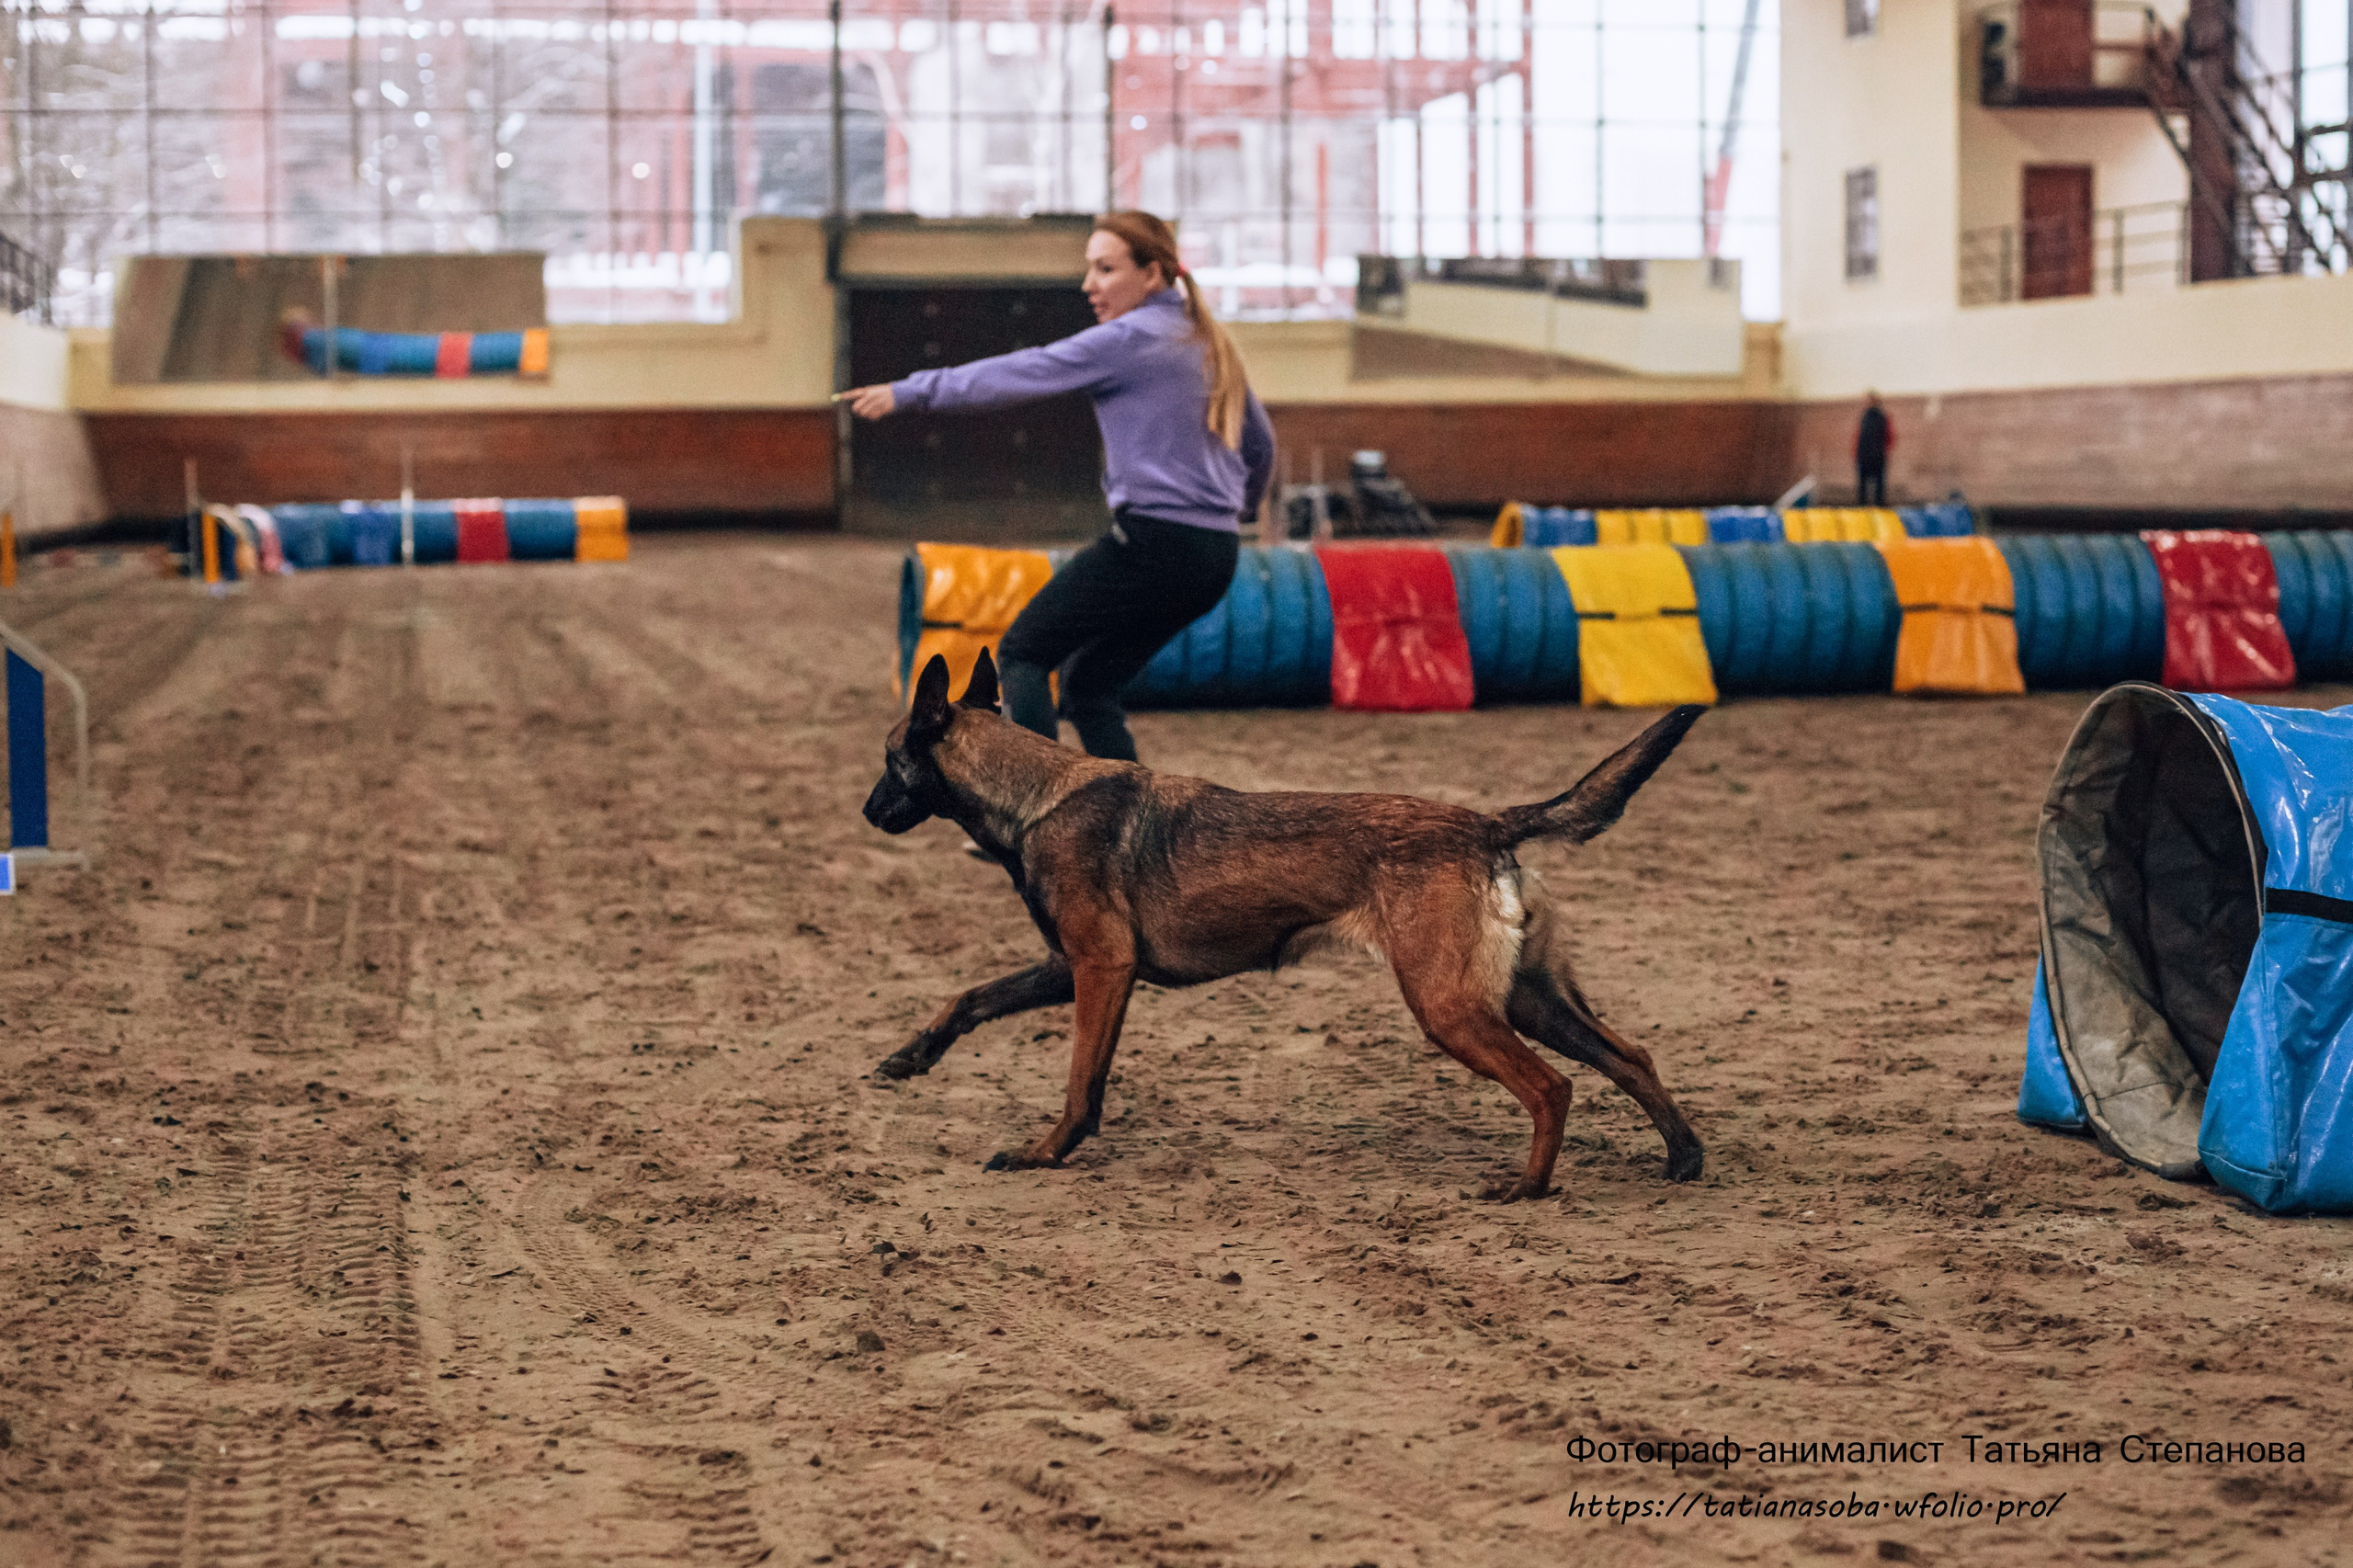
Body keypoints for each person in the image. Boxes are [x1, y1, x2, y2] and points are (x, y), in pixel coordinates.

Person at [843, 210, 1274, 763]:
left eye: (1105, 269)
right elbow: (1260, 446)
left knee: (1022, 654)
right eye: (1089, 269)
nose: (1088, 284)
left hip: (1154, 543)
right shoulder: (1208, 342)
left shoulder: (1127, 339)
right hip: (1214, 557)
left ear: (1152, 275)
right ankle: (1124, 831)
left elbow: (1020, 372)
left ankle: (1037, 814)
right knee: (1089, 687)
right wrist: (1234, 514)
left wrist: (913, 391)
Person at [1855, 392, 1894, 506]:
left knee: (1877, 486)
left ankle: (1877, 506)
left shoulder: (1882, 417)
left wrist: (1883, 451)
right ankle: (1863, 506)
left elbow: (1889, 436)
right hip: (1864, 455)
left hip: (1876, 456)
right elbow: (1859, 436)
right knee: (1863, 486)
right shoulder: (1864, 416)